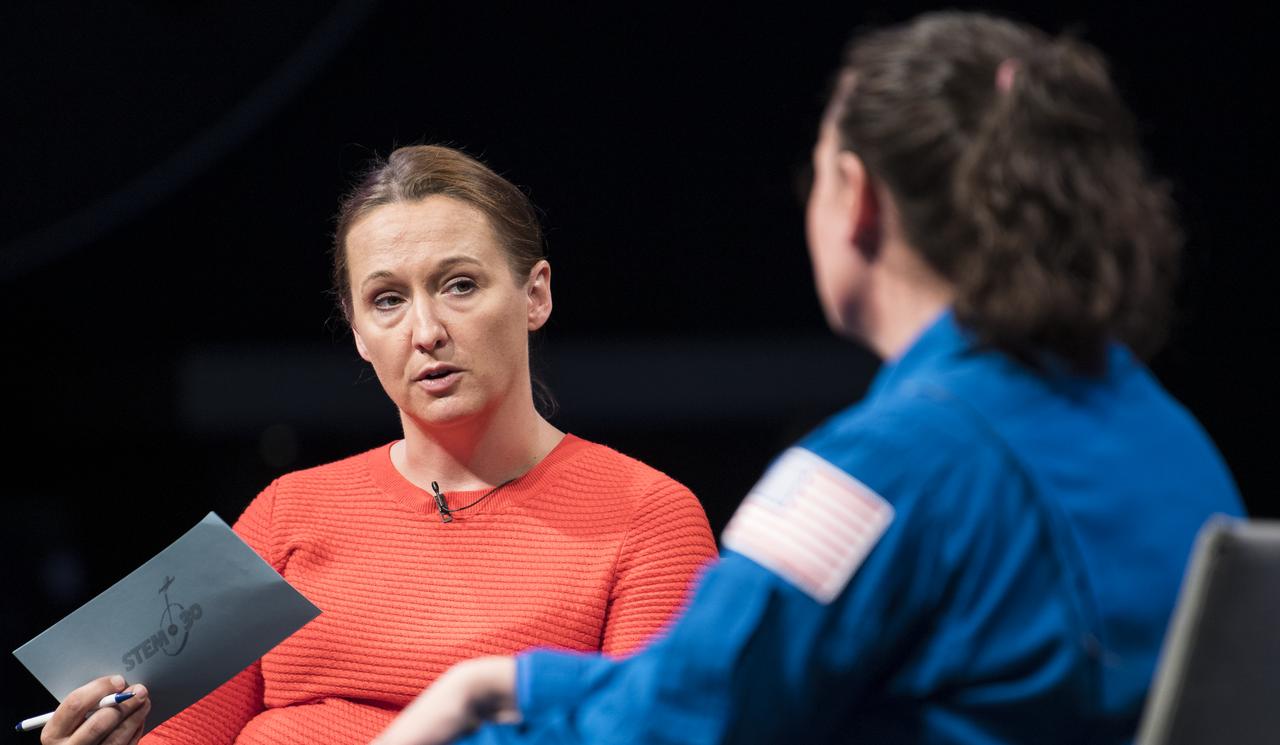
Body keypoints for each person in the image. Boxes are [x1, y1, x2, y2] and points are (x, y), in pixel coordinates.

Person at [370, 12, 1245, 745]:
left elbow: (686, 719)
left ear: (858, 199)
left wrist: (474, 712)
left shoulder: (886, 467)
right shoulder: (1171, 437)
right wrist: (508, 679)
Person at [39, 146, 717, 745]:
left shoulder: (646, 518)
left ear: (534, 294)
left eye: (459, 285)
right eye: (388, 299)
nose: (426, 330)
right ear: (359, 332)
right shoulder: (288, 512)